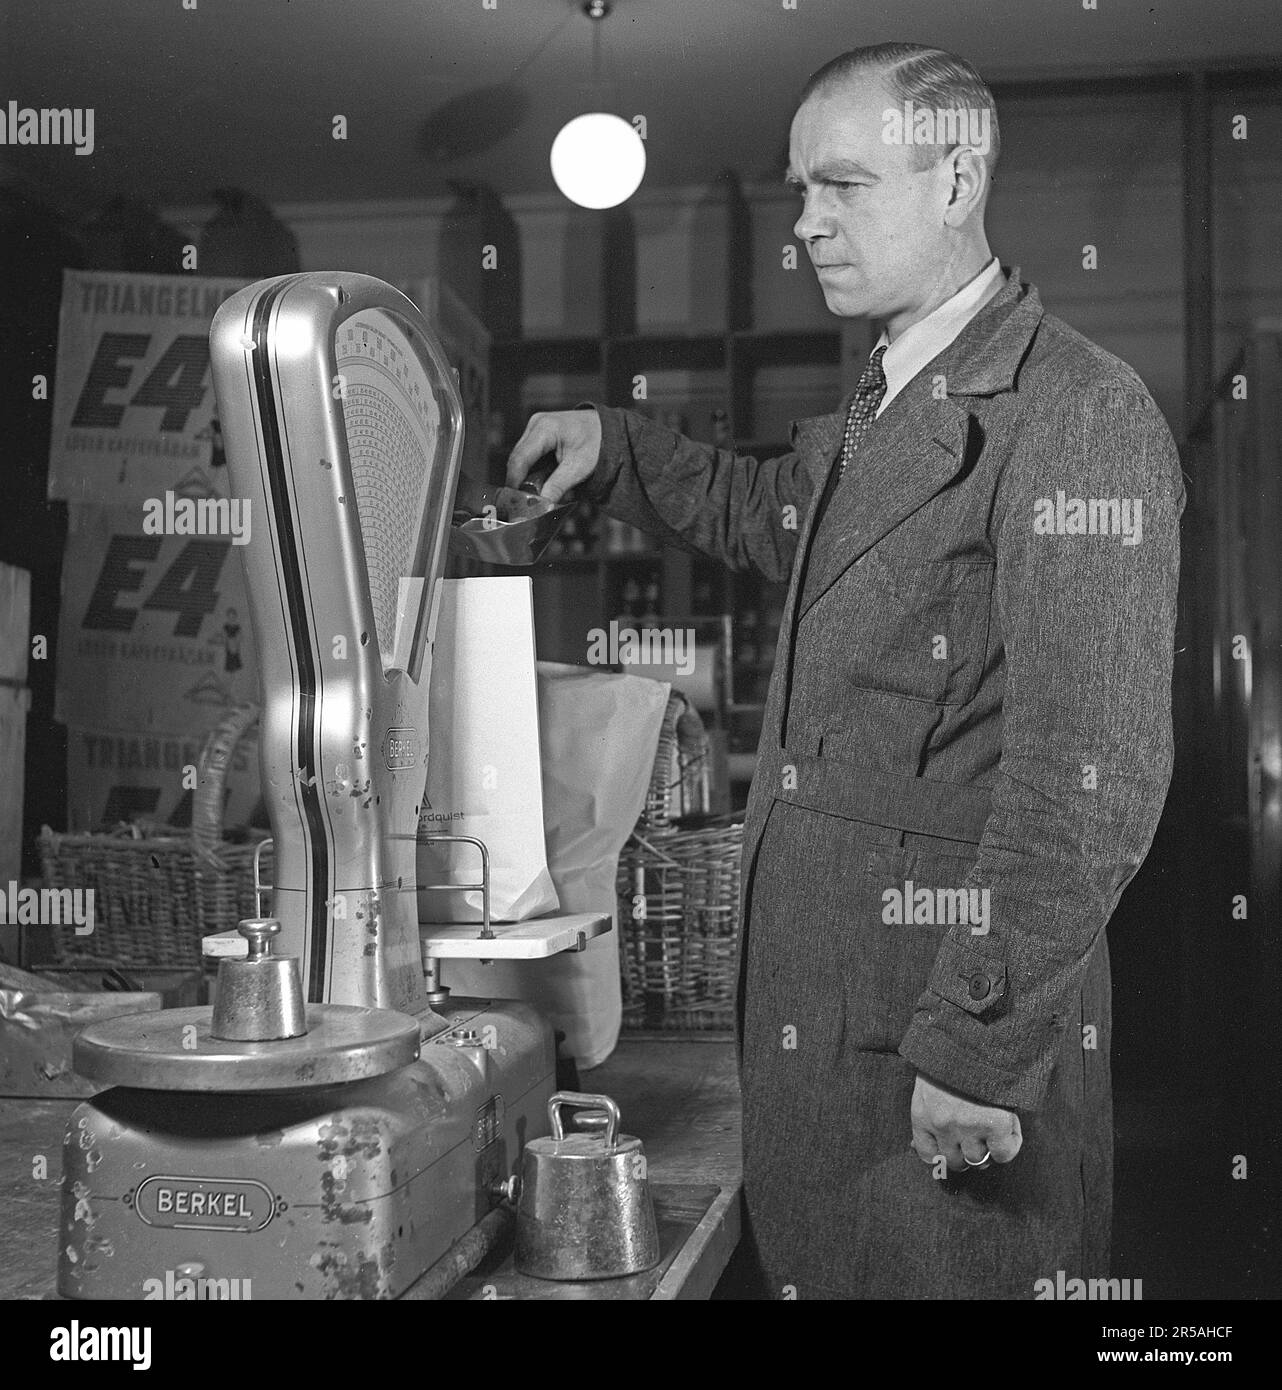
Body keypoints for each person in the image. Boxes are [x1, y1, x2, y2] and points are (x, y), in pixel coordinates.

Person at [507, 42, 1184, 1299]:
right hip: (827, 1049)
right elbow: (776, 510)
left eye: (841, 186)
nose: (805, 225)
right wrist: (617, 446)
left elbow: (1088, 783)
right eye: (797, 192)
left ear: (955, 178)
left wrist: (977, 1047)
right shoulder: (888, 390)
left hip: (936, 1058)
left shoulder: (1075, 412)